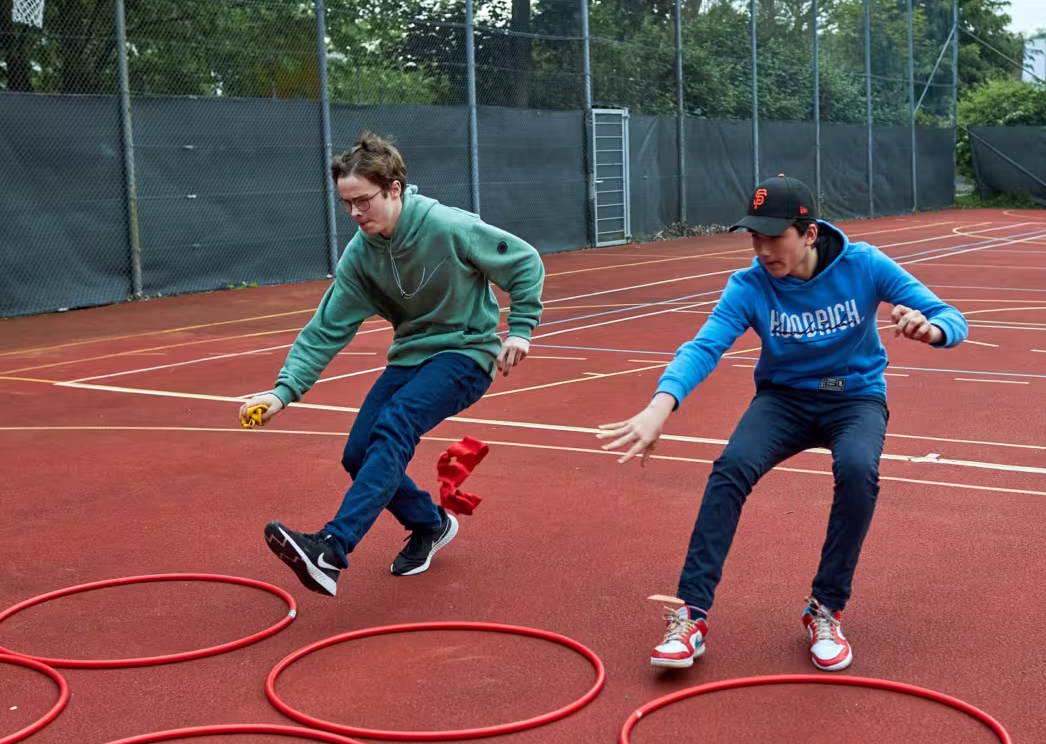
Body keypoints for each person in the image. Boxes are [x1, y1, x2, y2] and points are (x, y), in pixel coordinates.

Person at [596, 174, 967, 672]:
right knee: (730, 468)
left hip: (855, 399)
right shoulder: (749, 285)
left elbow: (951, 316)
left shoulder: (865, 265)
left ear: (808, 233)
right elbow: (704, 347)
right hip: (784, 401)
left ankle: (825, 609)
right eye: (754, 236)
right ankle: (691, 614)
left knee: (859, 471)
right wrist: (658, 407)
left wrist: (933, 329)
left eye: (774, 237)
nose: (762, 249)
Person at [239, 132, 544, 596]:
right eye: (347, 204)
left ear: (395, 188)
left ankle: (332, 548)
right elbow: (326, 329)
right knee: (358, 454)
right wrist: (283, 391)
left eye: (364, 201)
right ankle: (430, 524)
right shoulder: (360, 258)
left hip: (466, 353)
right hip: (411, 357)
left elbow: (524, 262)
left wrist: (520, 329)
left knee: (396, 423)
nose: (356, 213)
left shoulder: (447, 226)